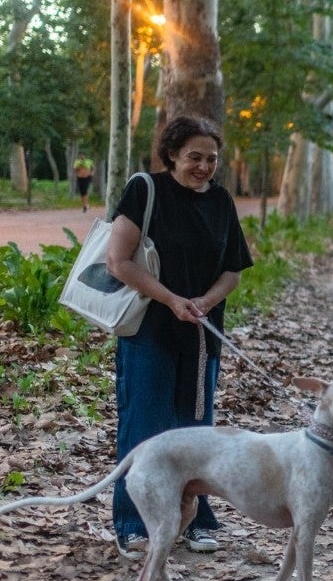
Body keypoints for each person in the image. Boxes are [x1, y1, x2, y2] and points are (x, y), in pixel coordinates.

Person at [104, 116, 254, 556]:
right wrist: (171, 299)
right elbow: (119, 261)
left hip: (202, 335)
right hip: (149, 331)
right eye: (194, 157)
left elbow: (234, 270)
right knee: (145, 429)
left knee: (197, 432)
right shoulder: (144, 190)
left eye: (211, 159)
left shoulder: (222, 201)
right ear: (172, 154)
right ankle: (133, 522)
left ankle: (195, 520)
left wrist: (206, 301)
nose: (204, 166)